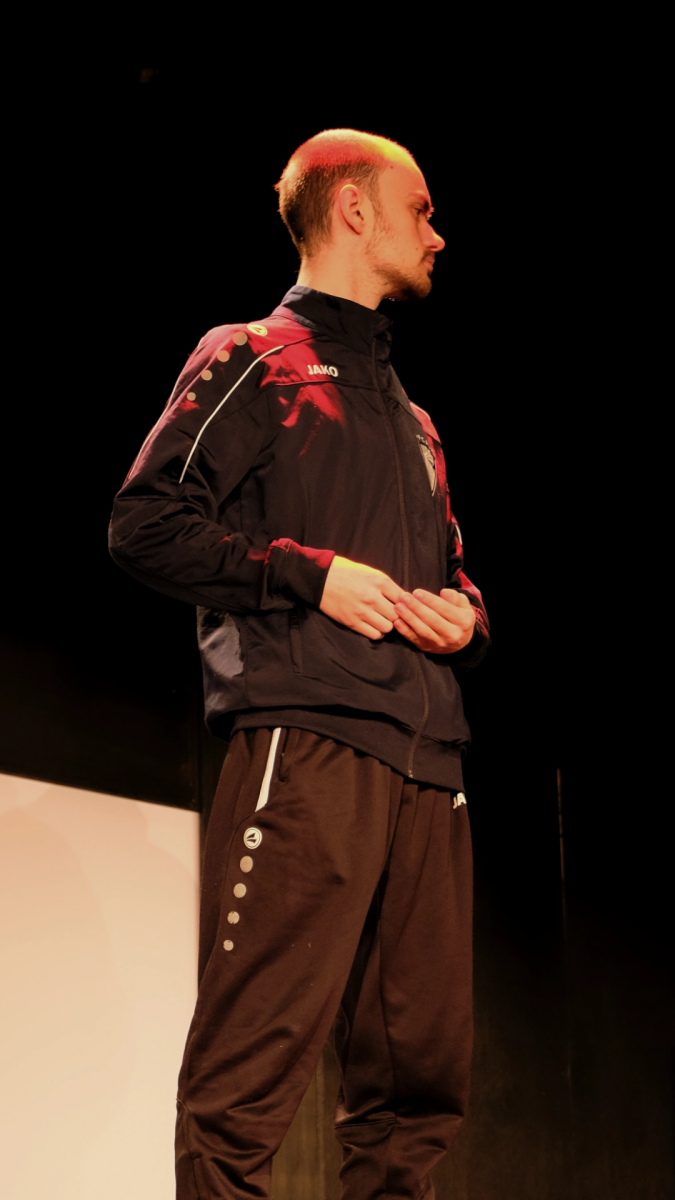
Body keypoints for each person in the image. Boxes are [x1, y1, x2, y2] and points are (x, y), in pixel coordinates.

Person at [109, 128, 490, 1200]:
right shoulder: (255, 358)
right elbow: (144, 524)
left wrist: (465, 617)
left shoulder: (415, 420)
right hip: (307, 743)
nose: (438, 235)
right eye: (421, 210)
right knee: (245, 1083)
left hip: (430, 764)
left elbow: (454, 570)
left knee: (418, 1093)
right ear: (354, 210)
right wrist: (306, 575)